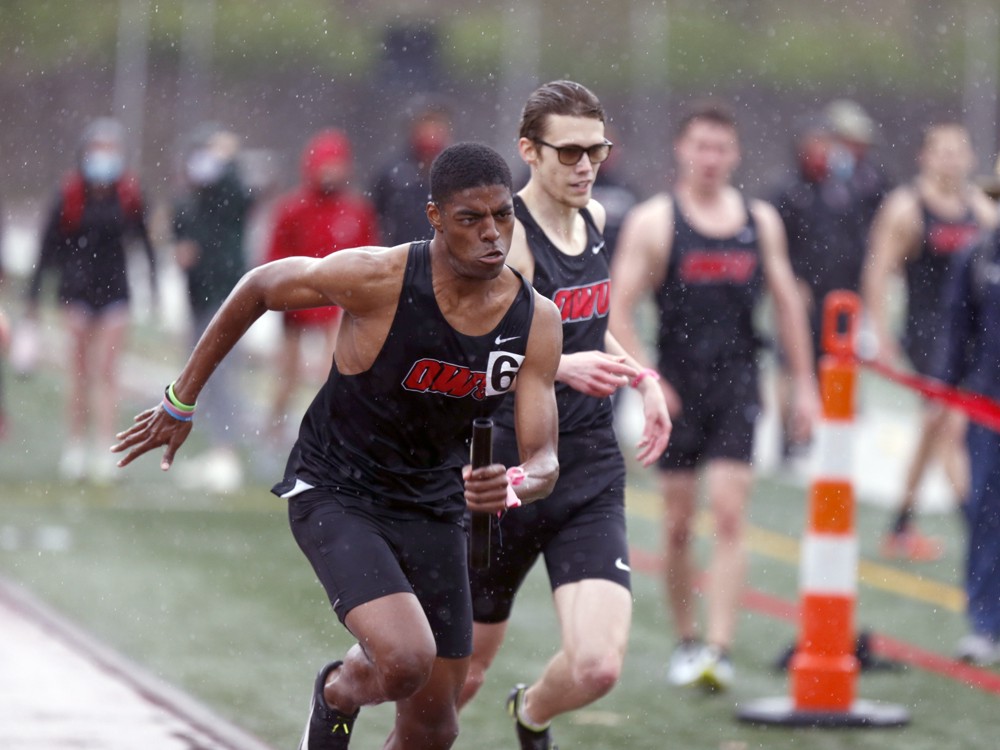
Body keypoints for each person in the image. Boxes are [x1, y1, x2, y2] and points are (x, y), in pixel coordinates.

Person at [111, 142, 563, 750]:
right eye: (470, 219)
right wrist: (180, 399)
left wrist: (512, 484)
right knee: (405, 659)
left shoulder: (534, 319)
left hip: (433, 504)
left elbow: (545, 461)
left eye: (502, 216)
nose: (492, 234)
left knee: (436, 726)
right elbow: (261, 284)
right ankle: (338, 693)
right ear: (434, 217)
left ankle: (348, 694)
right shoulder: (378, 277)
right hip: (339, 488)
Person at [456, 81, 671, 750]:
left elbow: (586, 327)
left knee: (597, 667)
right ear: (529, 151)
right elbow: (466, 358)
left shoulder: (597, 222)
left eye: (596, 151)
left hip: (586, 469)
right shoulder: (504, 242)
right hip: (504, 475)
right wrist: (552, 367)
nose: (585, 166)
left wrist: (642, 375)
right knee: (460, 678)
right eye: (570, 152)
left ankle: (531, 715)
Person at [609, 100, 818, 691]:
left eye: (721, 148)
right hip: (675, 388)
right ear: (682, 150)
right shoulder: (655, 221)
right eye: (700, 146)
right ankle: (687, 639)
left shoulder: (759, 220)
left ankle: (720, 648)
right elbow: (618, 309)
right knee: (678, 525)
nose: (710, 158)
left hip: (737, 384)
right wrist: (647, 377)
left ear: (735, 154)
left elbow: (787, 305)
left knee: (729, 515)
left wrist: (804, 385)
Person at [862, 122, 998, 561]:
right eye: (942, 151)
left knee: (935, 426)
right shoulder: (907, 207)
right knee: (945, 424)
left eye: (959, 151)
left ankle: (901, 521)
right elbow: (878, 271)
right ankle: (973, 515)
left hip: (971, 333)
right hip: (926, 332)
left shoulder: (980, 208)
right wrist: (879, 333)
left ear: (971, 158)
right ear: (924, 157)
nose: (951, 160)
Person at [27, 117, 157, 483]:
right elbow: (48, 245)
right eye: (98, 151)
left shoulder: (129, 193)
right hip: (77, 291)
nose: (104, 158)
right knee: (79, 373)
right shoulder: (69, 194)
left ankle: (105, 448)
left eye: (111, 151)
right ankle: (75, 447)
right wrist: (35, 295)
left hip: (115, 292)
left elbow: (144, 241)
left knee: (108, 374)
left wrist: (153, 284)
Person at [769, 115, 881, 459]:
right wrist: (789, 286)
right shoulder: (786, 193)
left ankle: (832, 428)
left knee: (837, 362)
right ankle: (789, 436)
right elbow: (776, 247)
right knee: (793, 362)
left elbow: (856, 241)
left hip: (840, 293)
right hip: (801, 294)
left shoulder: (843, 191)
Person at [263, 129, 380, 442]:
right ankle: (274, 428)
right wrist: (288, 293)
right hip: (297, 301)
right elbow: (275, 256)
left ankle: (328, 432)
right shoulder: (292, 208)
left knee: (336, 369)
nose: (331, 172)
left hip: (338, 304)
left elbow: (370, 256)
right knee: (288, 373)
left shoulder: (356, 210)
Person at [171, 123, 257, 493]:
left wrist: (230, 161)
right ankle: (215, 449)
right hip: (197, 297)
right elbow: (181, 242)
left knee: (224, 376)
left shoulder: (229, 192)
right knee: (200, 379)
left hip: (226, 295)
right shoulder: (187, 202)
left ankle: (227, 452)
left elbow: (244, 196)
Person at [936, 223, 1000, 665]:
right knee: (985, 512)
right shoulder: (979, 255)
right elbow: (957, 328)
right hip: (987, 404)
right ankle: (986, 621)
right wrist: (945, 395)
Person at [370, 96, 453, 245]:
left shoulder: (459, 173)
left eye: (436, 125)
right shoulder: (392, 176)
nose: (431, 133)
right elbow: (376, 221)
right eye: (425, 125)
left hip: (447, 261)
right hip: (402, 259)